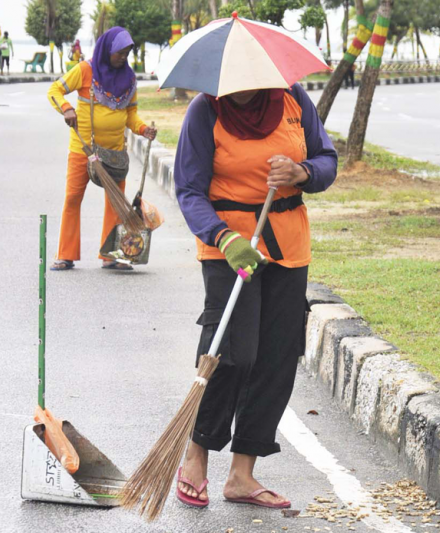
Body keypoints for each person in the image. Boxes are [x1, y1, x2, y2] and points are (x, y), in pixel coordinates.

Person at [173, 83, 338, 508]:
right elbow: (188, 190)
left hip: (287, 247)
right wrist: (222, 237)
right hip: (230, 248)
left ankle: (241, 476)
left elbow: (327, 161)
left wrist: (302, 172)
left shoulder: (292, 99)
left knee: (275, 358)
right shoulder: (205, 110)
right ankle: (196, 454)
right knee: (232, 353)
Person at [46, 27, 157, 271]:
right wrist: (66, 108)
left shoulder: (129, 79)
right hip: (83, 150)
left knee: (115, 203)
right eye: (119, 53)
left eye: (127, 53)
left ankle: (111, 254)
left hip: (115, 154)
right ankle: (65, 254)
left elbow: (131, 115)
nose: (123, 58)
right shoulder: (85, 70)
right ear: (107, 50)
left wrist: (142, 129)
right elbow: (54, 90)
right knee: (72, 199)